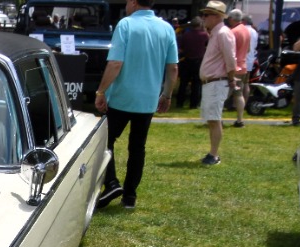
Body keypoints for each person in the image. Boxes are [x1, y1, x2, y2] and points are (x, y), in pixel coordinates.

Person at [93, 0, 178, 210]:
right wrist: (166, 95)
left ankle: (111, 182)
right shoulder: (166, 28)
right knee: (138, 147)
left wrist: (101, 90)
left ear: (133, 2)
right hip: (148, 99)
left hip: (122, 96)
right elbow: (173, 68)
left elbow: (115, 63)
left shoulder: (126, 24)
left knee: (106, 141)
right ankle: (130, 196)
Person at [197, 0, 234, 166]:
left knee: (214, 119)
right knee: (212, 119)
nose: (203, 18)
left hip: (217, 82)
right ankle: (212, 152)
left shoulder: (223, 33)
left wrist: (232, 79)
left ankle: (214, 154)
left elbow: (230, 59)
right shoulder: (216, 33)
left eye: (206, 15)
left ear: (217, 17)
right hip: (211, 82)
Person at [225, 9, 251, 127]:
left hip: (233, 67)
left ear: (231, 18)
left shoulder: (233, 32)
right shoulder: (247, 30)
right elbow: (249, 49)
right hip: (243, 66)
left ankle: (216, 118)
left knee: (223, 94)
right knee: (239, 94)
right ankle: (240, 120)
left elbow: (229, 51)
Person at [176, 17, 207, 109]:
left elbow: (180, 49)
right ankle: (194, 104)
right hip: (198, 61)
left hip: (186, 60)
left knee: (183, 83)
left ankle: (179, 102)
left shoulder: (186, 35)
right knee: (196, 84)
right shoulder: (204, 35)